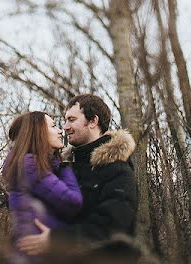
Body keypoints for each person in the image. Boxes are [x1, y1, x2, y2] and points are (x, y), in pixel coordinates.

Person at [17, 94, 139, 261]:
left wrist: (57, 240)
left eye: (71, 119)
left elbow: (112, 226)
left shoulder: (118, 170)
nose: (65, 126)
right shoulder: (65, 168)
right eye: (65, 120)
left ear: (93, 121)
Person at [3, 111, 83, 264]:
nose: (60, 131)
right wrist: (65, 165)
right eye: (53, 126)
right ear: (37, 132)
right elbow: (72, 202)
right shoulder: (30, 165)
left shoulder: (33, 164)